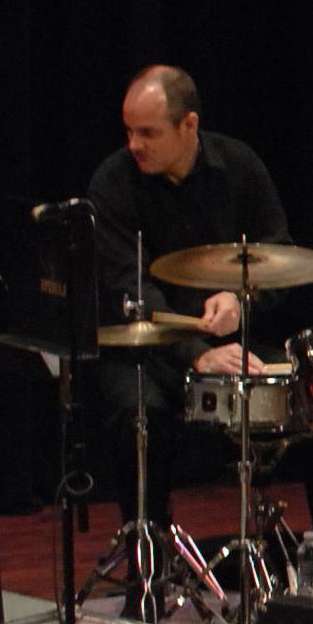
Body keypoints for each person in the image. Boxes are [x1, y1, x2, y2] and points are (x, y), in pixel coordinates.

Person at [87, 66, 289, 527]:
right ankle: (148, 567)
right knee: (139, 417)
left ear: (189, 126)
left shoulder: (239, 166)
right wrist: (197, 353)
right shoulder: (113, 183)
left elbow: (280, 257)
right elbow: (130, 288)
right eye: (129, 131)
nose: (134, 144)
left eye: (148, 133)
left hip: (229, 346)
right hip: (146, 353)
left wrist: (241, 302)